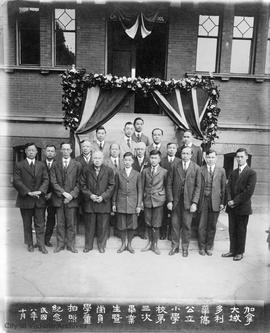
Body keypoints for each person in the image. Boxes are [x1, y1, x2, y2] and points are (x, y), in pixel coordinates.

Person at [13, 143, 49, 253]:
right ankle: (29, 244)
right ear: (25, 152)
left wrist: (41, 191)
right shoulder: (19, 165)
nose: (31, 152)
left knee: (40, 223)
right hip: (25, 199)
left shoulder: (41, 165)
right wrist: (28, 192)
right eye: (29, 150)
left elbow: (46, 180)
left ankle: (41, 244)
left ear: (37, 152)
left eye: (33, 150)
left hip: (39, 199)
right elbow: (16, 181)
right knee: (27, 223)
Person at [222, 148, 257, 261]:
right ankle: (232, 250)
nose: (239, 159)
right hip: (231, 207)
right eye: (238, 157)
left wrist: (235, 201)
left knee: (241, 230)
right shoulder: (233, 172)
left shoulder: (251, 173)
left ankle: (240, 252)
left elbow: (248, 191)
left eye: (242, 156)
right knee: (232, 230)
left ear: (247, 157)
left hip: (242, 208)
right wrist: (229, 200)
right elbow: (228, 187)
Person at [167, 146, 201, 257]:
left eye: (187, 154)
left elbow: (198, 187)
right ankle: (175, 246)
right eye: (183, 153)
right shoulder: (174, 166)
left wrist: (194, 203)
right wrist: (170, 200)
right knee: (175, 224)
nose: (185, 156)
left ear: (191, 155)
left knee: (187, 225)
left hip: (189, 202)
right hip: (176, 201)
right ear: (180, 154)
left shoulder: (196, 168)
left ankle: (185, 248)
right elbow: (169, 184)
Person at [80, 151, 115, 253]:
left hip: (103, 203)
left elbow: (111, 185)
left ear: (103, 159)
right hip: (90, 203)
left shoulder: (109, 170)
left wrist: (103, 197)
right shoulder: (86, 169)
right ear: (92, 159)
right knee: (89, 226)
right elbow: (82, 185)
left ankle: (101, 245)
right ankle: (88, 246)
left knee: (103, 226)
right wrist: (90, 195)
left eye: (99, 158)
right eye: (95, 158)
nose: (97, 160)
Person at [50, 142, 81, 253]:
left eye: (68, 149)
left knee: (71, 223)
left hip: (71, 200)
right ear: (61, 151)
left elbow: (79, 183)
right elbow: (53, 182)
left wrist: (71, 195)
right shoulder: (55, 164)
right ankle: (60, 244)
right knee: (60, 223)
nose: (66, 151)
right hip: (59, 199)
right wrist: (64, 193)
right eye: (64, 149)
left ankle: (71, 245)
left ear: (71, 151)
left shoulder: (77, 165)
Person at [198, 149, 226, 256]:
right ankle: (201, 246)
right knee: (202, 225)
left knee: (212, 225)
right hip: (203, 200)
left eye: (213, 157)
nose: (210, 159)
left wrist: (222, 202)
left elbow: (223, 188)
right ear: (205, 158)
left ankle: (209, 246)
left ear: (216, 158)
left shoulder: (221, 170)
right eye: (208, 157)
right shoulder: (200, 169)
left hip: (215, 201)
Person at [112, 152, 142, 254]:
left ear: (133, 161)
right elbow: (115, 189)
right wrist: (114, 203)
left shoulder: (137, 174)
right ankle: (123, 244)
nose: (127, 162)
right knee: (121, 225)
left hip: (133, 204)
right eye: (125, 160)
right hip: (121, 202)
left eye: (129, 160)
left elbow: (140, 191)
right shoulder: (119, 173)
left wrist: (138, 205)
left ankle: (129, 244)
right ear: (123, 161)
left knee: (132, 225)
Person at [141, 150, 167, 255]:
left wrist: (162, 196)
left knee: (156, 223)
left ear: (159, 159)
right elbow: (141, 187)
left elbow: (167, 186)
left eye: (155, 158)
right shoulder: (145, 171)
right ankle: (149, 243)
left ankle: (155, 245)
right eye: (152, 158)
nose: (153, 160)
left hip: (158, 201)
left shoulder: (164, 171)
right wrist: (141, 201)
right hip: (147, 199)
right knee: (148, 222)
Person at [160, 142, 181, 240]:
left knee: (174, 214)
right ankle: (163, 232)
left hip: (175, 191)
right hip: (163, 189)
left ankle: (171, 233)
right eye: (169, 148)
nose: (171, 149)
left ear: (176, 150)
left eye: (173, 148)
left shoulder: (179, 162)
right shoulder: (162, 161)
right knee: (163, 213)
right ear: (167, 149)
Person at [132, 142, 150, 239]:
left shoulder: (148, 160)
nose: (139, 151)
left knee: (144, 210)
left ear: (145, 150)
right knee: (135, 209)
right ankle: (134, 230)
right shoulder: (132, 160)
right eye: (138, 149)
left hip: (145, 187)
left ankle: (142, 231)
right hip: (134, 188)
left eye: (141, 149)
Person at [43, 144, 57, 247]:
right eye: (48, 151)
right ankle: (39, 240)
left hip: (53, 196)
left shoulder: (58, 164)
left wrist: (52, 193)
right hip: (41, 196)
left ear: (55, 153)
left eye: (52, 151)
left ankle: (47, 240)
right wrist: (42, 192)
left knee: (51, 219)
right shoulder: (39, 164)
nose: (50, 153)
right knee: (39, 218)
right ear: (45, 152)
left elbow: (59, 181)